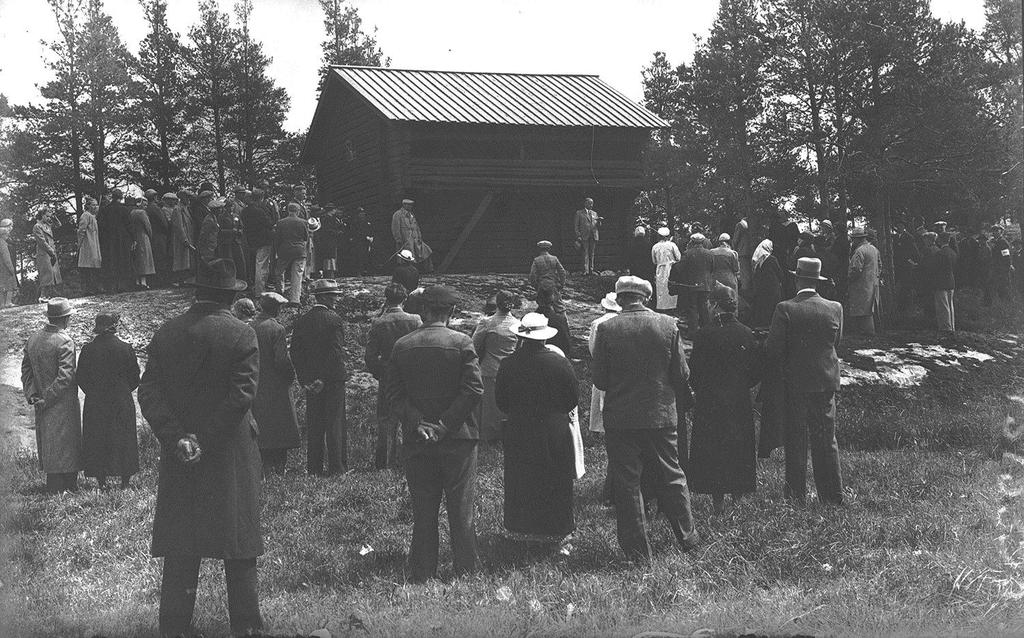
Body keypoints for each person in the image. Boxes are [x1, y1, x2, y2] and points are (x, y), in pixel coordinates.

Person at [138, 257, 264, 636]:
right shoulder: (242, 335)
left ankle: (173, 629)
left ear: (197, 291)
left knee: (181, 545)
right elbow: (241, 395)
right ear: (230, 295)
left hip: (181, 457)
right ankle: (247, 629)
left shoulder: (167, 333)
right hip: (228, 454)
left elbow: (149, 391)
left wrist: (178, 437)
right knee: (239, 544)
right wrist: (203, 438)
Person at [591, 276, 699, 562]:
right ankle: (688, 538)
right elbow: (682, 374)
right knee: (672, 474)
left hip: (622, 418)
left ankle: (639, 553)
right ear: (646, 298)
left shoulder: (606, 328)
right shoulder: (667, 325)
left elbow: (600, 380)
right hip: (661, 414)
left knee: (628, 483)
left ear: (619, 298)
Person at [383, 285, 483, 583]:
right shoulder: (462, 342)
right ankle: (466, 572)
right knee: (460, 509)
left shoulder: (402, 345)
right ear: (450, 313)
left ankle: (422, 572)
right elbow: (473, 389)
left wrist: (418, 423)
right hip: (457, 439)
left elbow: (393, 393)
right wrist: (446, 424)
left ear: (423, 311)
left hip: (417, 440)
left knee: (424, 509)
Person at [495, 312, 579, 547]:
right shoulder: (559, 363)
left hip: (520, 427)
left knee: (522, 478)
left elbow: (500, 400)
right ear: (544, 337)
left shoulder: (509, 364)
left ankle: (521, 530)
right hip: (553, 428)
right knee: (555, 478)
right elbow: (572, 398)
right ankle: (556, 530)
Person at [766, 257, 844, 505]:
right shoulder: (835, 308)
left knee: (796, 441)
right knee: (826, 441)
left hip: (795, 383)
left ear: (796, 277)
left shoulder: (785, 308)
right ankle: (831, 497)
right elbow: (836, 343)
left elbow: (773, 350)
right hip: (825, 382)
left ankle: (795, 497)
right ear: (817, 280)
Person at [687, 283, 761, 514]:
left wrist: (702, 388)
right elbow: (755, 372)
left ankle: (717, 502)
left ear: (716, 306)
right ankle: (738, 499)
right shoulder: (746, 334)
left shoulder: (703, 335)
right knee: (739, 448)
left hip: (710, 402)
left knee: (714, 451)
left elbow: (694, 372)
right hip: (739, 401)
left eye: (710, 304)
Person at [22, 298, 82, 493]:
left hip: (41, 402)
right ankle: (69, 486)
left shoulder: (33, 339)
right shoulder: (65, 341)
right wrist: (47, 398)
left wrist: (33, 395)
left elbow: (26, 371)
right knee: (66, 444)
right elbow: (66, 376)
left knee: (49, 442)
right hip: (62, 403)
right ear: (65, 319)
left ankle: (54, 485)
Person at [291, 279, 349, 475]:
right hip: (332, 380)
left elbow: (296, 353)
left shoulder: (302, 320)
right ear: (323, 296)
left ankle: (314, 468)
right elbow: (335, 353)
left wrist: (307, 380)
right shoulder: (334, 320)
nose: (336, 300)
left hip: (312, 383)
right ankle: (337, 468)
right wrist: (323, 379)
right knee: (335, 423)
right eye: (333, 296)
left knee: (315, 423)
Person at [77, 313, 140, 489]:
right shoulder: (126, 348)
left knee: (98, 438)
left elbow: (80, 377)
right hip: (121, 401)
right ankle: (125, 481)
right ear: (114, 328)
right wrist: (123, 391)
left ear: (97, 329)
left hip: (96, 402)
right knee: (123, 438)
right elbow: (135, 378)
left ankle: (101, 481)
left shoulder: (87, 350)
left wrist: (94, 393)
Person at [364, 283, 422, 469]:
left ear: (386, 299)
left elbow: (370, 355)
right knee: (412, 415)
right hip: (412, 373)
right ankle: (411, 458)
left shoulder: (379, 322)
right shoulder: (415, 321)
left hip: (388, 373)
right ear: (404, 300)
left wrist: (379, 372)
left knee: (386, 418)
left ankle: (385, 462)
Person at [252, 292, 300, 474]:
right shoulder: (276, 329)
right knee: (280, 423)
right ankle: (279, 467)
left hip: (256, 381)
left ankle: (263, 466)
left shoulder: (251, 327)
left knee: (262, 423)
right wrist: (290, 376)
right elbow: (281, 359)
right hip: (276, 383)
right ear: (277, 309)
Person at [471, 290, 521, 442]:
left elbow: (474, 344)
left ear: (497, 304)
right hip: (510, 369)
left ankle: (488, 435)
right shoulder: (518, 324)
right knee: (506, 402)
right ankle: (505, 433)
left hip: (489, 368)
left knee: (490, 404)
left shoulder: (487, 323)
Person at [588, 292, 621, 502]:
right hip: (620, 375)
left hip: (603, 370)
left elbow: (593, 348)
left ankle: (601, 429)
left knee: (601, 399)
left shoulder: (598, 324)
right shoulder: (621, 322)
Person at [669, 233, 715, 338]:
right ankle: (706, 332)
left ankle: (693, 333)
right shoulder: (710, 254)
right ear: (703, 242)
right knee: (704, 308)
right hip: (706, 285)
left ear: (692, 242)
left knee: (692, 308)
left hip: (692, 286)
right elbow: (712, 268)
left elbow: (680, 268)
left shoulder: (687, 253)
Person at [240, 189, 277, 295]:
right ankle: (259, 291)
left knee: (255, 265)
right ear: (260, 198)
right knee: (262, 266)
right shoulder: (259, 211)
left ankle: (256, 288)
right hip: (263, 241)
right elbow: (269, 223)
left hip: (251, 241)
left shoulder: (245, 211)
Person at [98, 189, 133, 293]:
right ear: (121, 197)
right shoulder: (125, 209)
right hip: (123, 239)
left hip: (110, 240)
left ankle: (112, 286)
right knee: (123, 260)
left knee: (112, 261)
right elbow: (129, 225)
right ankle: (122, 285)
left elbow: (102, 226)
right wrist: (133, 238)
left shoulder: (105, 210)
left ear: (112, 197)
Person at [274, 203, 309, 303]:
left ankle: (280, 294)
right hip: (299, 251)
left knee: (279, 272)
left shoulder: (281, 222)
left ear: (288, 211)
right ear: (298, 211)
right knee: (297, 275)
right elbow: (306, 238)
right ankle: (295, 300)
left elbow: (277, 239)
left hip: (284, 251)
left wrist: (277, 251)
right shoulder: (303, 222)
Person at [847, 227, 880, 335]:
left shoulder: (859, 251)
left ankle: (865, 334)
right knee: (869, 309)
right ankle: (870, 333)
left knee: (861, 310)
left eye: (854, 239)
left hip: (860, 284)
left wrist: (850, 279)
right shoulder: (874, 249)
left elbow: (856, 269)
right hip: (873, 283)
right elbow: (880, 265)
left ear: (858, 239)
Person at [391, 198, 433, 272]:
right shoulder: (398, 214)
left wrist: (419, 237)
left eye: (411, 205)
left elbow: (417, 227)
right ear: (404, 205)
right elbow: (395, 228)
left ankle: (428, 270)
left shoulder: (411, 215)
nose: (411, 207)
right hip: (405, 240)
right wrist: (398, 239)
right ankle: (407, 272)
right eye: (409, 205)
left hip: (416, 239)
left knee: (426, 251)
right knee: (407, 256)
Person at [929, 233, 958, 332]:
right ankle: (952, 327)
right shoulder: (953, 253)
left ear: (940, 240)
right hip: (951, 281)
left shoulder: (940, 253)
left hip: (941, 282)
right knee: (950, 305)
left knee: (943, 307)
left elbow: (935, 269)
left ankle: (946, 329)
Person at [535, 280, 572, 358]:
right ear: (553, 300)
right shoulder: (560, 320)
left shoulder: (527, 320)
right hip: (556, 358)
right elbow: (567, 346)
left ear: (537, 300)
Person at [33, 209, 63, 301]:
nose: (48, 218)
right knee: (46, 274)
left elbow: (59, 225)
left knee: (52, 274)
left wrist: (54, 217)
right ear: (42, 215)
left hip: (51, 252)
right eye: (47, 216)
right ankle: (42, 296)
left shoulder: (47, 225)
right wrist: (51, 251)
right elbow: (41, 241)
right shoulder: (37, 226)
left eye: (49, 216)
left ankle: (48, 295)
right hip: (44, 253)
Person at [165, 192, 195, 285]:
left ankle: (184, 279)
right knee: (180, 260)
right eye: (187, 198)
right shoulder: (177, 210)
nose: (188, 200)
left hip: (188, 237)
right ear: (182, 198)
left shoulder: (186, 209)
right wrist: (184, 239)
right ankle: (179, 280)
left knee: (185, 260)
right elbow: (178, 227)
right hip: (180, 240)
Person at [144, 188, 171, 286]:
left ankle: (156, 281)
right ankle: (161, 281)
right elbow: (163, 223)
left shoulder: (148, 208)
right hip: (160, 236)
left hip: (153, 236)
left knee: (156, 258)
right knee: (161, 257)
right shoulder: (155, 208)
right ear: (154, 197)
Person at [77, 196, 102, 294]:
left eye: (97, 205)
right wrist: (79, 244)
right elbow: (81, 231)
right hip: (87, 244)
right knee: (88, 266)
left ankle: (94, 287)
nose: (96, 207)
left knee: (94, 265)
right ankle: (88, 289)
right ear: (88, 206)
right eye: (93, 205)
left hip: (94, 243)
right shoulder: (85, 215)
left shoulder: (93, 217)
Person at [129, 199, 156, 290]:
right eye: (144, 205)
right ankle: (144, 282)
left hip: (135, 237)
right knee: (144, 259)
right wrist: (150, 236)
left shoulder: (132, 212)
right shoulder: (142, 213)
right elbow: (148, 226)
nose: (145, 207)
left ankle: (137, 282)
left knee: (137, 258)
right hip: (143, 237)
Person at [652, 227, 680, 312]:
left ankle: (662, 307)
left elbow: (654, 261)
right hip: (671, 269)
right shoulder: (672, 245)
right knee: (670, 287)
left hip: (660, 269)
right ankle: (672, 308)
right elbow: (678, 257)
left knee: (661, 288)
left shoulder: (655, 246)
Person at [573, 197, 601, 274]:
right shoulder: (579, 213)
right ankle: (585, 270)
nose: (591, 205)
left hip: (593, 235)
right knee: (585, 252)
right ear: (585, 203)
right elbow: (576, 225)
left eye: (592, 203)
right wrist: (578, 235)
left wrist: (599, 221)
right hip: (584, 235)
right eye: (589, 203)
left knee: (592, 253)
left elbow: (597, 225)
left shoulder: (594, 213)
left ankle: (591, 270)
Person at [990, 225, 1012, 303]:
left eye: (996, 230)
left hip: (1002, 269)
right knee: (998, 287)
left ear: (1001, 232)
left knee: (1004, 287)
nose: (994, 232)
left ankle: (1008, 305)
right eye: (993, 231)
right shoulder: (994, 242)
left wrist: (1006, 269)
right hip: (996, 268)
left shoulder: (1002, 242)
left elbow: (1006, 257)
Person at [734, 215, 754, 295]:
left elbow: (736, 238)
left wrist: (734, 247)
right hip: (750, 251)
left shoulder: (740, 224)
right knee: (749, 271)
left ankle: (745, 291)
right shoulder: (751, 224)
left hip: (743, 251)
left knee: (744, 272)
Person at [0, 218, 17, 308]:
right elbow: (6, 258)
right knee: (9, 285)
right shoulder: (3, 244)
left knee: (2, 286)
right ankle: (8, 302)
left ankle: (2, 304)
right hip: (6, 268)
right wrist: (11, 269)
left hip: (1, 269)